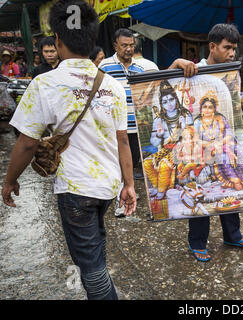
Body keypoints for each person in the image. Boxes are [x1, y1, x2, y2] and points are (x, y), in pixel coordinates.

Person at [1, 0, 137, 300]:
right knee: (94, 246)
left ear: (58, 41)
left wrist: (9, 181)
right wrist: (129, 185)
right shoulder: (113, 85)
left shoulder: (45, 84)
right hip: (108, 186)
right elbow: (123, 140)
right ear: (93, 41)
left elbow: (26, 142)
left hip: (75, 190)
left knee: (91, 270)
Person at [99, 28, 197, 216]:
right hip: (113, 128)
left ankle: (128, 198)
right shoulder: (104, 67)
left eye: (131, 45)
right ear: (115, 46)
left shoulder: (142, 68)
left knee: (131, 163)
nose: (128, 49)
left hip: (136, 127)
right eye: (124, 45)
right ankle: (119, 203)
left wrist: (177, 62)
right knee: (116, 166)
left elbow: (158, 84)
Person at [189, 23, 243, 263]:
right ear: (212, 46)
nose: (232, 53)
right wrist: (178, 64)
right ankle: (197, 242)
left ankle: (232, 234)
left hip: (228, 138)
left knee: (230, 187)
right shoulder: (194, 71)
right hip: (203, 142)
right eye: (227, 47)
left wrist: (240, 141)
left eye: (234, 49)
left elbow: (234, 106)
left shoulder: (233, 72)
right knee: (203, 189)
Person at [143, 80, 193, 200]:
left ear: (176, 100)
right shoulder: (158, 120)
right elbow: (153, 142)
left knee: (165, 165)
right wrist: (159, 134)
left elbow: (191, 137)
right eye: (165, 102)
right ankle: (156, 186)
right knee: (147, 163)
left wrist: (183, 128)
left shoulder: (185, 115)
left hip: (182, 150)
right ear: (162, 104)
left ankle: (161, 191)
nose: (169, 104)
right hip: (166, 150)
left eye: (171, 100)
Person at [194, 90, 243, 190]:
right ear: (201, 108)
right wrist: (211, 144)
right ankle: (235, 180)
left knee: (241, 151)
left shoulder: (220, 118)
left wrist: (219, 143)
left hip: (224, 144)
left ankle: (238, 174)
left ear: (214, 109)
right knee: (222, 156)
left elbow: (229, 133)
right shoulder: (198, 122)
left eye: (210, 107)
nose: (207, 110)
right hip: (208, 148)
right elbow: (196, 140)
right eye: (205, 107)